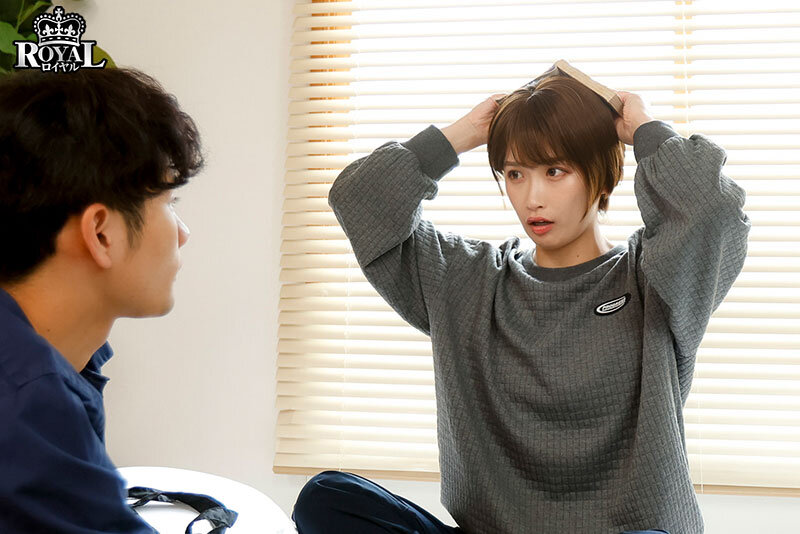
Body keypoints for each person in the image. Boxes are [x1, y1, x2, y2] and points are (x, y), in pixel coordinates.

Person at [292, 74, 751, 533]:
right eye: (515, 174)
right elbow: (357, 198)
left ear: (603, 176)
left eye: (555, 171)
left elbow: (712, 210)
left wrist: (644, 128)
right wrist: (461, 134)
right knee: (328, 497)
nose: (532, 198)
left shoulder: (655, 277)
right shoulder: (465, 279)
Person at [0, 67, 203, 532]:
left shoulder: (48, 362)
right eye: (168, 203)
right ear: (101, 233)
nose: (183, 234)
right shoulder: (28, 409)